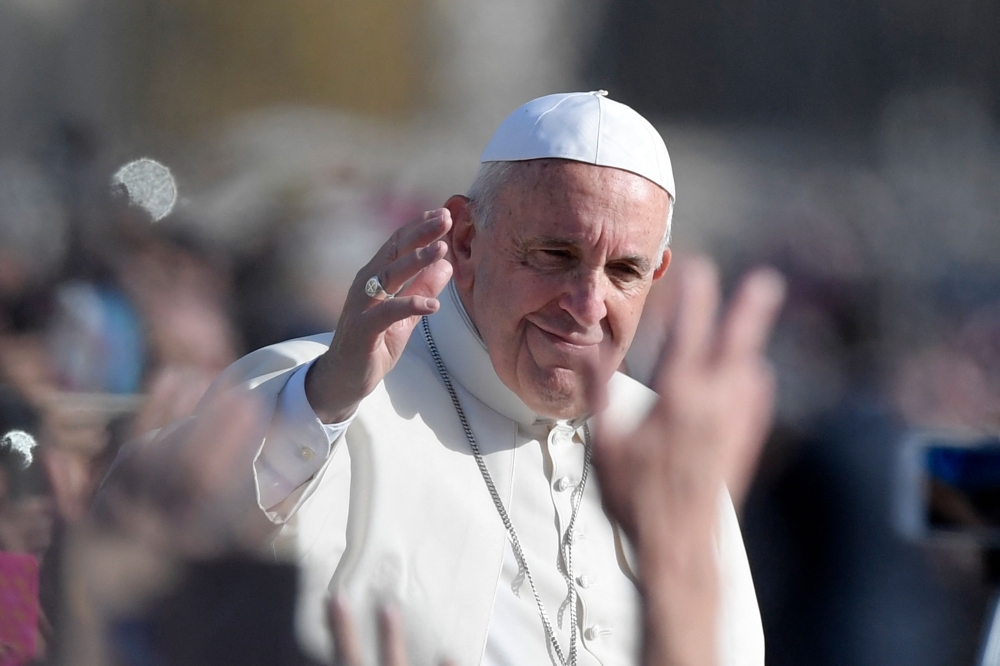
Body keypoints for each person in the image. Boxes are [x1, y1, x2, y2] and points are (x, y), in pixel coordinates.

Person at [113, 91, 781, 666]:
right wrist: (326, 403)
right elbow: (131, 562)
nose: (587, 303)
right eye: (555, 254)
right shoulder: (327, 388)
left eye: (624, 272)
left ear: (656, 278)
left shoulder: (662, 440)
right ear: (464, 241)